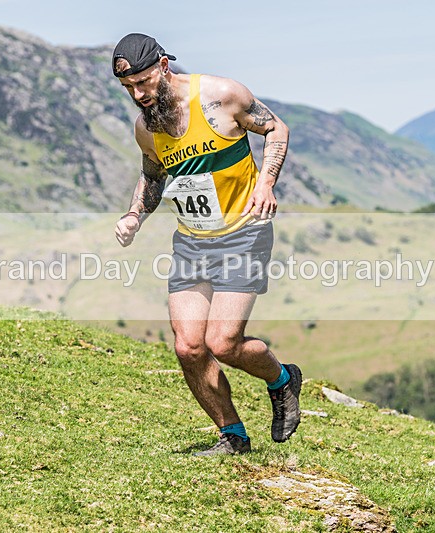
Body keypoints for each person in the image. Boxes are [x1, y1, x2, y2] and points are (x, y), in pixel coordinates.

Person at [112, 33, 302, 456]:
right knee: (188, 346)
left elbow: (276, 128)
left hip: (243, 233)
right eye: (129, 89)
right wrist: (133, 216)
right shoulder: (147, 127)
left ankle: (282, 380)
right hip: (192, 243)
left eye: (143, 83)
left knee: (223, 343)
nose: (139, 95)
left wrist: (266, 183)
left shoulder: (220, 96)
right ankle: (232, 435)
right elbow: (154, 175)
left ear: (163, 66)